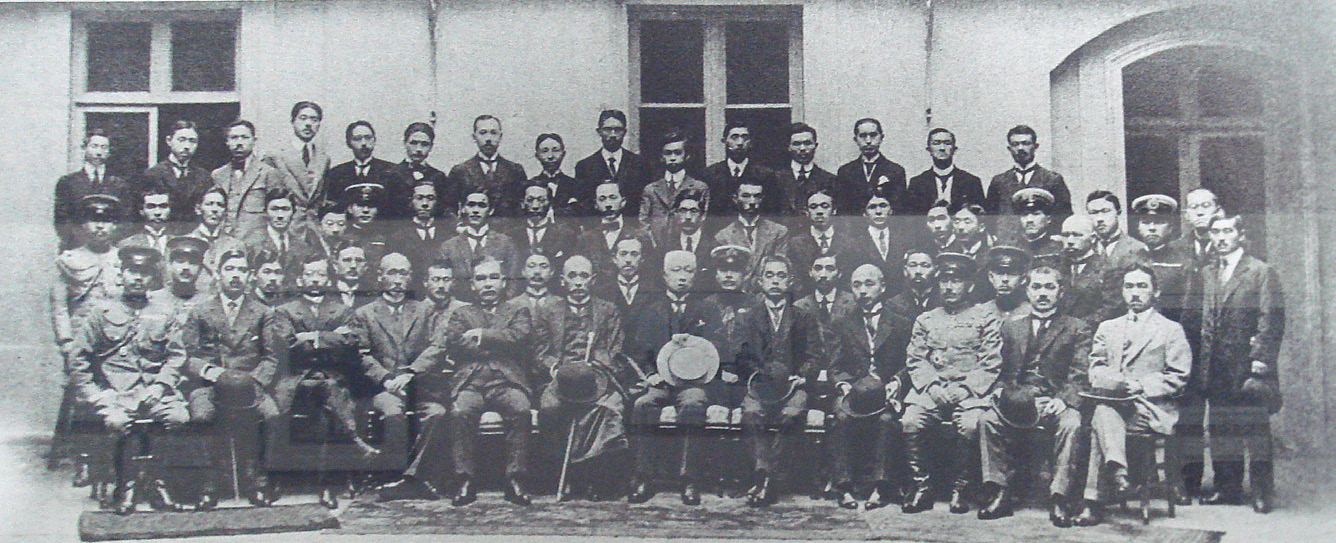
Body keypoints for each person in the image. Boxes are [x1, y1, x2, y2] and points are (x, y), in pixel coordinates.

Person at [67, 246, 190, 514]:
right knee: (119, 422)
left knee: (178, 418)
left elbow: (177, 356)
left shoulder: (164, 312)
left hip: (156, 392)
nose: (137, 278)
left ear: (152, 278)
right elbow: (77, 361)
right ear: (121, 274)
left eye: (144, 273)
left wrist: (160, 385)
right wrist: (96, 395)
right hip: (116, 394)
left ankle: (158, 483)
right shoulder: (102, 312)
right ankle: (126, 485)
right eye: (132, 271)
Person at [1073, 265, 1191, 527]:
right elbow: (1096, 368)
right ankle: (1118, 473)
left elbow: (1178, 376)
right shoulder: (1108, 327)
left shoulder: (1171, 330)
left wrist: (1140, 385)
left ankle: (1094, 500)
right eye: (1129, 287)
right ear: (1122, 291)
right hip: (1114, 404)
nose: (1135, 293)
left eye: (1142, 286)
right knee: (1103, 414)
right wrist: (1114, 381)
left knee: (1099, 422)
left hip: (1150, 408)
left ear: (1156, 292)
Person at [976, 264, 1092, 526]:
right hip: (1018, 399)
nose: (1042, 293)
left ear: (1060, 292)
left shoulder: (1077, 328)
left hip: (1055, 401)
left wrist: (1063, 400)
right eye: (1036, 287)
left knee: (1072, 424)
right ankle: (1000, 491)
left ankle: (1059, 497)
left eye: (1049, 287)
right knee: (987, 421)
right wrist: (1000, 394)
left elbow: (1080, 372)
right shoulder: (1010, 327)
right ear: (1027, 290)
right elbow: (1001, 370)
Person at [180, 249, 286, 507]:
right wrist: (212, 373)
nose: (235, 275)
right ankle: (209, 483)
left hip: (251, 385)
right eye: (229, 269)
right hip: (211, 386)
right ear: (218, 275)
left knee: (271, 415)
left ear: (249, 276)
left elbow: (272, 358)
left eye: (241, 270)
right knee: (202, 416)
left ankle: (258, 480)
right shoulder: (200, 311)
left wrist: (254, 381)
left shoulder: (263, 313)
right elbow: (188, 356)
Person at [1193, 215, 1285, 512]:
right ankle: (1227, 489)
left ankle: (1261, 492)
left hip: (1247, 365)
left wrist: (1261, 359)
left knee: (1255, 431)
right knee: (1221, 430)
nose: (1220, 237)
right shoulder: (1207, 272)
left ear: (1240, 234)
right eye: (1215, 232)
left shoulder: (1260, 271)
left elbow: (1271, 319)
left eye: (1227, 231)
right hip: (1216, 365)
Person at [901, 253, 1002, 515]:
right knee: (911, 420)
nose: (948, 287)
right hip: (932, 390)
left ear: (969, 285)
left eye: (956, 281)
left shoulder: (985, 317)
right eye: (944, 280)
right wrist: (932, 386)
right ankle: (922, 488)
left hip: (969, 392)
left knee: (971, 425)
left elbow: (991, 362)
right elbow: (915, 359)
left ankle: (961, 489)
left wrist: (965, 389)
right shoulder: (926, 319)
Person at [272, 254, 375, 509]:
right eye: (310, 274)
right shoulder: (284, 311)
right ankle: (354, 442)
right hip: (298, 380)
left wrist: (311, 337)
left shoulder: (341, 309)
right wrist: (328, 338)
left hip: (333, 377)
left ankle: (325, 483)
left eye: (320, 275)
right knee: (325, 390)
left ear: (328, 279)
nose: (315, 280)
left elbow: (352, 343)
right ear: (300, 278)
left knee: (324, 412)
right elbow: (287, 345)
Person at [623, 250, 725, 506]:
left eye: (688, 271)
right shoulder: (650, 309)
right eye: (676, 271)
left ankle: (689, 479)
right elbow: (638, 350)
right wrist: (649, 375)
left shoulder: (707, 309)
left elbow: (718, 347)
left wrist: (697, 350)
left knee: (693, 404)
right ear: (664, 274)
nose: (682, 277)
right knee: (642, 405)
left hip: (694, 383)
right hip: (661, 381)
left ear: (696, 275)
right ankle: (643, 476)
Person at [532, 255, 633, 500]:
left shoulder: (608, 310)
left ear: (593, 280)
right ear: (563, 280)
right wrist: (556, 369)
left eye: (584, 276)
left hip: (598, 379)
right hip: (560, 379)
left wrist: (598, 362)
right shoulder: (547, 311)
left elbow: (615, 350)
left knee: (607, 409)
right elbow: (540, 352)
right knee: (550, 407)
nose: (578, 282)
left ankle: (593, 476)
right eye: (572, 276)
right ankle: (560, 474)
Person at [373, 259, 470, 503]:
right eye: (392, 273)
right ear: (380, 276)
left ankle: (412, 478)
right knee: (393, 412)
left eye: (403, 273)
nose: (397, 280)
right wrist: (386, 379)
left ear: (410, 278)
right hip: (384, 386)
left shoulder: (422, 311)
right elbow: (361, 355)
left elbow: (436, 346)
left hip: (420, 385)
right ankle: (391, 477)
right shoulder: (366, 312)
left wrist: (411, 373)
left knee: (437, 413)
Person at [443, 255, 536, 506]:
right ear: (472, 284)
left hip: (506, 380)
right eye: (481, 279)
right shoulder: (461, 313)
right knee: (460, 410)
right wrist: (498, 342)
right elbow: (454, 343)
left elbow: (520, 338)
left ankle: (515, 479)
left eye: (494, 278)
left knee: (521, 409)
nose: (488, 284)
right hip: (471, 380)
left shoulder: (518, 310)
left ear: (503, 282)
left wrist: (481, 335)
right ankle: (465, 480)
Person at [827, 264, 912, 510]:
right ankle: (843, 487)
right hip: (855, 392)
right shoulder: (842, 323)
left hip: (886, 392)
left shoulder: (901, 323)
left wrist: (896, 382)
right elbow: (835, 366)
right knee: (840, 417)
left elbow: (909, 363)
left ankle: (881, 487)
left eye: (869, 284)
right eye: (857, 285)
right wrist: (845, 386)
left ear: (883, 287)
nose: (863, 291)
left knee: (887, 421)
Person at [741, 256, 822, 507]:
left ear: (790, 281)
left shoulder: (803, 316)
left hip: (792, 386)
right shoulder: (749, 316)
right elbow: (742, 356)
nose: (774, 280)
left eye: (780, 275)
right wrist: (760, 374)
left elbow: (814, 355)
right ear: (760, 281)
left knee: (792, 413)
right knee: (752, 412)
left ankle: (767, 478)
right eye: (769, 275)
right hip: (761, 386)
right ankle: (765, 475)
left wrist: (803, 374)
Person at [51, 195, 125, 360]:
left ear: (115, 225)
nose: (100, 226)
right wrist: (66, 341)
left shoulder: (124, 259)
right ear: (83, 225)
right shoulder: (69, 260)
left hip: (117, 339)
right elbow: (60, 306)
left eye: (106, 221)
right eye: (93, 220)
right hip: (80, 338)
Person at [984, 125, 1072, 239]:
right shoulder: (999, 181)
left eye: (1026, 143)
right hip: (1008, 245)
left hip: (1041, 245)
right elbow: (990, 218)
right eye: (1015, 144)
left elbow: (1063, 216)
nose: (1020, 148)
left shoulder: (1052, 179)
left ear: (1035, 146)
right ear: (1009, 148)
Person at [55, 130, 133, 250]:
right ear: (84, 148)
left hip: (110, 247)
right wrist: (83, 242)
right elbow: (62, 219)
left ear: (109, 152)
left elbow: (126, 219)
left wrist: (107, 241)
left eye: (104, 147)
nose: (99, 152)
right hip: (76, 246)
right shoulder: (68, 182)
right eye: (94, 146)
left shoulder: (120, 184)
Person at [439, 188, 521, 294]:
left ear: (490, 210)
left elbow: (513, 280)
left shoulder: (505, 243)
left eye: (481, 205)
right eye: (471, 205)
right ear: (463, 208)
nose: (475, 210)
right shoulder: (449, 247)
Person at [263, 101, 332, 223]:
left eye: (314, 120)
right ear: (293, 121)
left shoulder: (324, 159)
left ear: (319, 125)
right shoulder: (275, 156)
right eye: (303, 118)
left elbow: (322, 197)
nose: (308, 124)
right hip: (287, 225)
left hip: (314, 226)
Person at [575, 109, 652, 217]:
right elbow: (585, 205)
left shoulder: (640, 164)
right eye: (607, 129)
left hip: (631, 228)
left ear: (624, 132)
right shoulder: (584, 166)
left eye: (618, 130)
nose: (613, 134)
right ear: (599, 132)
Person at [213, 120, 282, 238]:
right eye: (234, 138)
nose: (239, 143)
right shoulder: (218, 175)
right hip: (224, 241)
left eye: (244, 137)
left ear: (254, 141)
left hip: (257, 241)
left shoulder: (268, 173)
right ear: (227, 142)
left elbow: (277, 212)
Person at [448, 115, 527, 217]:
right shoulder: (460, 171)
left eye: (493, 133)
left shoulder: (515, 170)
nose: (488, 138)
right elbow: (449, 208)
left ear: (500, 137)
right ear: (474, 137)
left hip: (508, 230)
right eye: (483, 133)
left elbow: (523, 208)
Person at [714, 180, 789, 283]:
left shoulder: (778, 232)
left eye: (757, 196)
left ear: (762, 199)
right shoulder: (723, 236)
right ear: (735, 199)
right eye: (746, 196)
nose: (752, 202)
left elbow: (781, 266)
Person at [139, 120, 212, 227]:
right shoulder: (153, 174)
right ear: (169, 141)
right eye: (181, 140)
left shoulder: (204, 176)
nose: (187, 146)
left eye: (192, 141)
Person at [576, 180, 653, 280]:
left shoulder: (641, 236)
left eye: (613, 198)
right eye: (602, 199)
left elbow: (649, 272)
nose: (608, 204)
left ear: (623, 202)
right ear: (596, 204)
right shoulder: (585, 239)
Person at [704, 121, 781, 216]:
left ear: (751, 142)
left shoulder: (765, 175)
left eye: (745, 138)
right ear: (724, 141)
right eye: (734, 137)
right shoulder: (711, 174)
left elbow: (771, 211)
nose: (740, 143)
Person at [833, 118, 907, 216]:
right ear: (856, 139)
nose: (868, 141)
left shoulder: (895, 171)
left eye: (873, 135)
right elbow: (843, 210)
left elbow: (899, 210)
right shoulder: (845, 171)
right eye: (863, 136)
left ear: (881, 138)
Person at [640, 130, 709, 232]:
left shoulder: (699, 187)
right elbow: (643, 221)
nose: (673, 158)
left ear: (687, 156)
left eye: (678, 153)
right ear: (661, 157)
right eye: (668, 153)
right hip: (656, 244)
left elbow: (703, 220)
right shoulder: (651, 189)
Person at [326, 121, 399, 218]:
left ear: (375, 140)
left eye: (368, 138)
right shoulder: (337, 173)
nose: (364, 143)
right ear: (349, 143)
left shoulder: (391, 171)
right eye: (357, 139)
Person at [903, 128, 985, 215]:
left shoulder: (971, 182)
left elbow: (980, 216)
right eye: (936, 143)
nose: (942, 148)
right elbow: (912, 219)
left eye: (947, 143)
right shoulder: (917, 183)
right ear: (929, 149)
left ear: (954, 149)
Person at [785, 189, 850, 293]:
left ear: (834, 210)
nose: (819, 212)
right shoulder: (795, 244)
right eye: (813, 207)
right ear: (807, 212)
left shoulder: (848, 242)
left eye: (825, 206)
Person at [1059, 215, 1121, 325]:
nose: (1070, 241)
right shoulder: (1056, 266)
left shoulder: (1109, 269)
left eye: (1077, 235)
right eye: (1065, 235)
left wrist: (1077, 326)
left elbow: (1111, 308)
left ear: (1093, 238)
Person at [387, 122, 454, 224]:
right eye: (413, 143)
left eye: (424, 144)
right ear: (405, 143)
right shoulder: (391, 174)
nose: (418, 149)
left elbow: (443, 211)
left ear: (431, 147)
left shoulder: (438, 177)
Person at [240, 188, 313, 277]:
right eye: (274, 209)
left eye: (285, 209)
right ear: (265, 212)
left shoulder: (302, 246)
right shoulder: (251, 242)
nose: (280, 215)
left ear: (293, 212)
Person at [846, 184, 907, 288]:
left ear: (891, 210)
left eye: (883, 206)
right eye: (872, 207)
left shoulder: (904, 238)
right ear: (865, 213)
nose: (878, 211)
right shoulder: (853, 243)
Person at [389, 180, 448, 278]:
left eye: (430, 198)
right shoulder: (397, 238)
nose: (425, 203)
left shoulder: (448, 235)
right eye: (419, 198)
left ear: (437, 202)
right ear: (411, 201)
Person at [781, 123, 838, 219]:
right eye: (796, 144)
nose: (802, 148)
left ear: (815, 146)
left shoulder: (830, 180)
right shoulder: (775, 178)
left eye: (807, 143)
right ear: (788, 147)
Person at [185, 187, 246, 276]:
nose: (215, 210)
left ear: (225, 211)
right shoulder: (187, 242)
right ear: (198, 209)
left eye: (220, 205)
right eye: (209, 204)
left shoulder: (236, 245)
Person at [650, 188, 715, 271]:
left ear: (702, 215)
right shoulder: (665, 244)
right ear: (676, 214)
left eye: (693, 211)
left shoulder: (712, 243)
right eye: (683, 211)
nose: (688, 217)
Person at [511, 183, 576, 263]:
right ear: (522, 203)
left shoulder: (565, 235)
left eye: (541, 200)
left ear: (550, 203)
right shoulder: (511, 235)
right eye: (530, 200)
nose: (535, 206)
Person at [119, 185, 181, 265]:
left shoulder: (179, 243)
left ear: (170, 209)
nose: (157, 212)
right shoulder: (126, 244)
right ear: (141, 211)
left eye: (163, 206)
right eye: (151, 207)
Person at [1087, 191, 1149, 271]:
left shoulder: (1138, 249)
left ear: (1118, 212)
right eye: (1093, 213)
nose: (1099, 219)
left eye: (1105, 211)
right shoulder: (1086, 248)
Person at [151, 236, 215, 313]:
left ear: (200, 268)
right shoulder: (154, 298)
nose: (186, 268)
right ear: (170, 265)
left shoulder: (208, 301)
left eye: (193, 263)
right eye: (180, 261)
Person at [530, 133, 585, 218]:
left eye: (555, 150)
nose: (550, 156)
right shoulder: (529, 185)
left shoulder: (577, 185)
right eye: (544, 151)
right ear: (537, 155)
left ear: (563, 154)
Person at [592, 237, 653, 312]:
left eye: (634, 254)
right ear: (614, 258)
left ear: (642, 258)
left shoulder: (653, 292)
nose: (628, 260)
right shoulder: (602, 292)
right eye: (623, 254)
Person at [1172, 188, 1226, 267]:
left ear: (1218, 211)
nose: (1199, 212)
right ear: (1186, 215)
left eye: (1206, 206)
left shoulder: (1230, 245)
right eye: (1193, 207)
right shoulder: (1175, 248)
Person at [978, 245, 1033, 320]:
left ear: (1023, 279)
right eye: (1000, 273)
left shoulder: (1032, 312)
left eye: (1012, 274)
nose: (1005, 279)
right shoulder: (979, 313)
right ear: (991, 277)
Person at [885, 247, 940, 318]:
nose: (918, 271)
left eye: (925, 266)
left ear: (936, 271)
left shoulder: (943, 303)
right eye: (913, 266)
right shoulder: (893, 305)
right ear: (905, 271)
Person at [1011, 187, 1063, 260]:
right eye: (1024, 215)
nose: (1029, 220)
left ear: (1048, 219)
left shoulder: (1059, 248)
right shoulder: (1012, 248)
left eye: (1036, 214)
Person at [332, 244, 377, 309]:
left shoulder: (373, 296)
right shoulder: (325, 293)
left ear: (366, 267)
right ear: (335, 266)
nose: (353, 266)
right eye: (347, 260)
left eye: (359, 260)